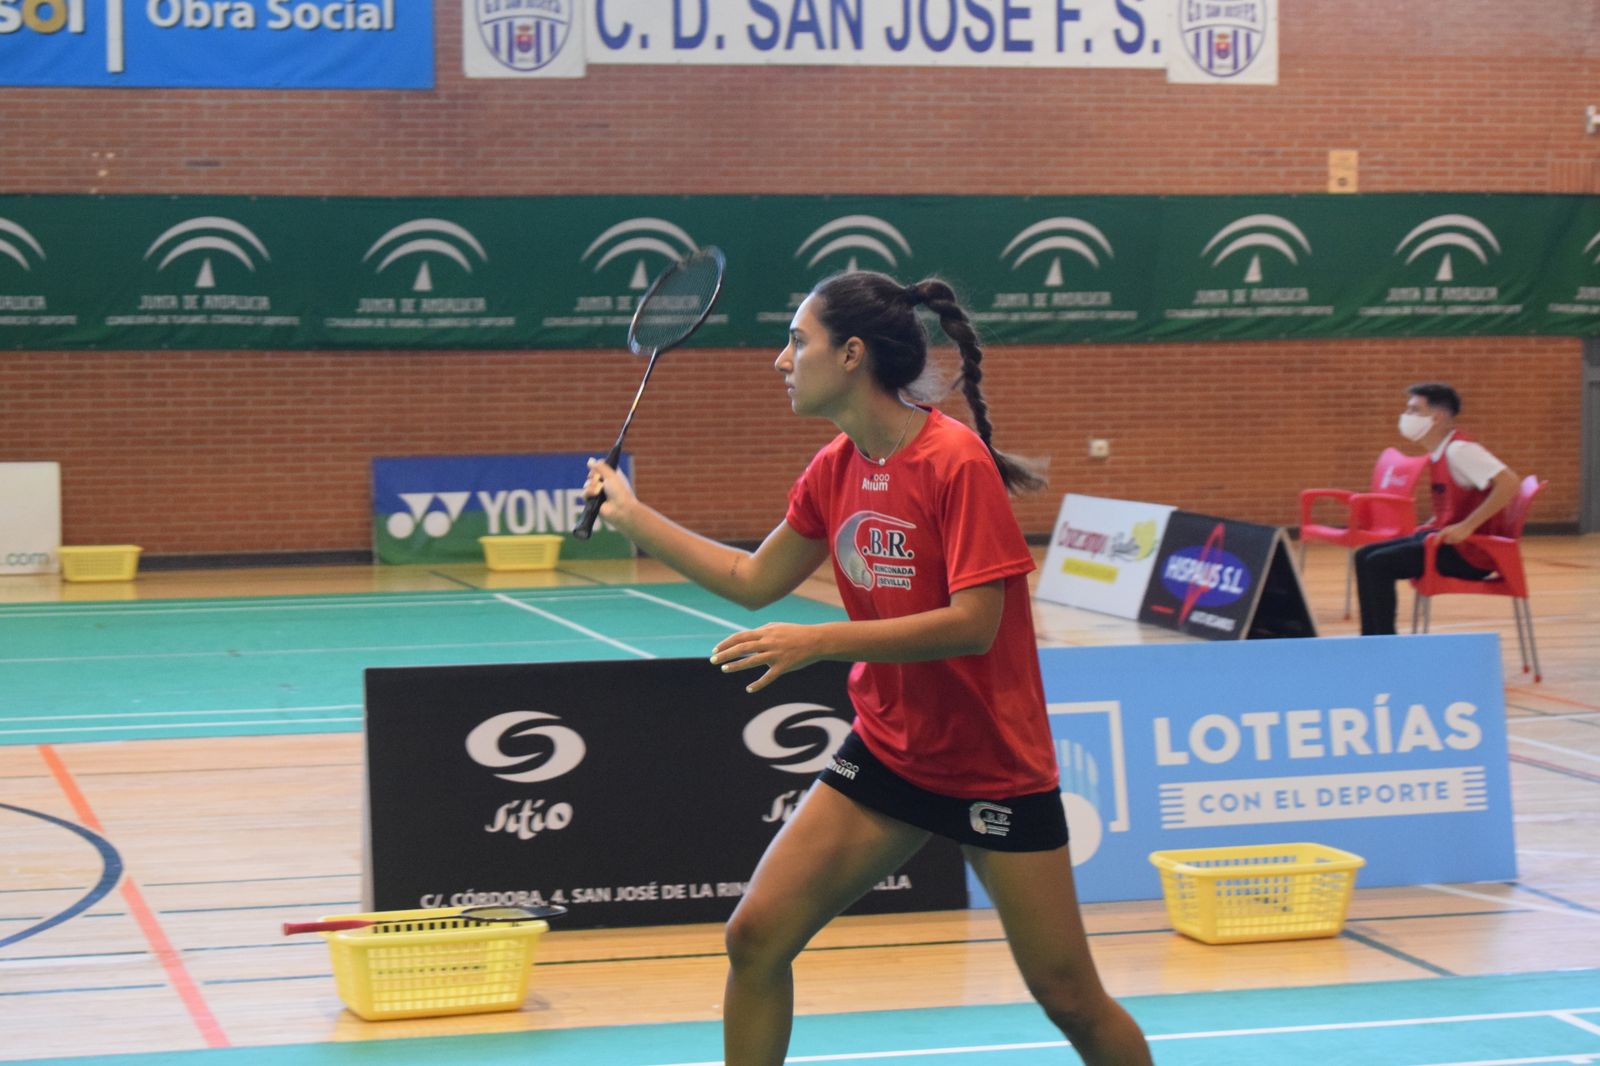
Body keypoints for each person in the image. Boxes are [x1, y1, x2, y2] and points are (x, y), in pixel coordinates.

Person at [582, 271, 1153, 1066]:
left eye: (796, 340)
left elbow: (975, 625)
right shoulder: (835, 467)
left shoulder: (955, 464)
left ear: (851, 355)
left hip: (993, 767)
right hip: (890, 752)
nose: (780, 360)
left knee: (1071, 998)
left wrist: (820, 641)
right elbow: (754, 582)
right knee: (754, 938)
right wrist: (637, 517)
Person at [1354, 382, 1520, 636]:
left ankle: (1385, 644)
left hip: (1471, 553)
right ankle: (1371, 641)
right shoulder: (1439, 450)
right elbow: (1458, 500)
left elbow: (1509, 483)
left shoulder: (1460, 450)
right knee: (1363, 556)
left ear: (1437, 416)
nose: (1406, 416)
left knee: (1378, 564)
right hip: (1448, 542)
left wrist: (1467, 526)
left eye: (1413, 410)